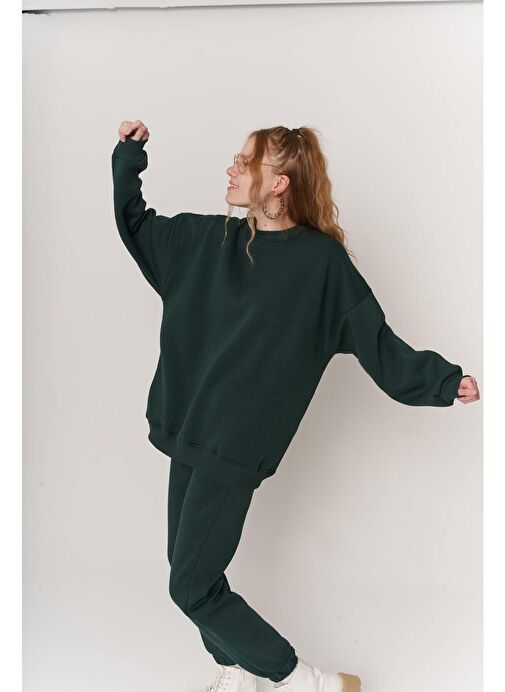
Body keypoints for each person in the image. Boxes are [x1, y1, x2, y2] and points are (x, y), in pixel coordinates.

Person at [111, 120, 480, 692]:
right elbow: (136, 225)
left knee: (190, 587)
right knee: (191, 573)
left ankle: (307, 681)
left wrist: (441, 382)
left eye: (245, 161)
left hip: (234, 448)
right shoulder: (208, 241)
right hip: (189, 431)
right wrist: (129, 155)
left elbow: (377, 342)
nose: (232, 168)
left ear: (279, 182)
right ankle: (236, 670)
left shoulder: (320, 265)